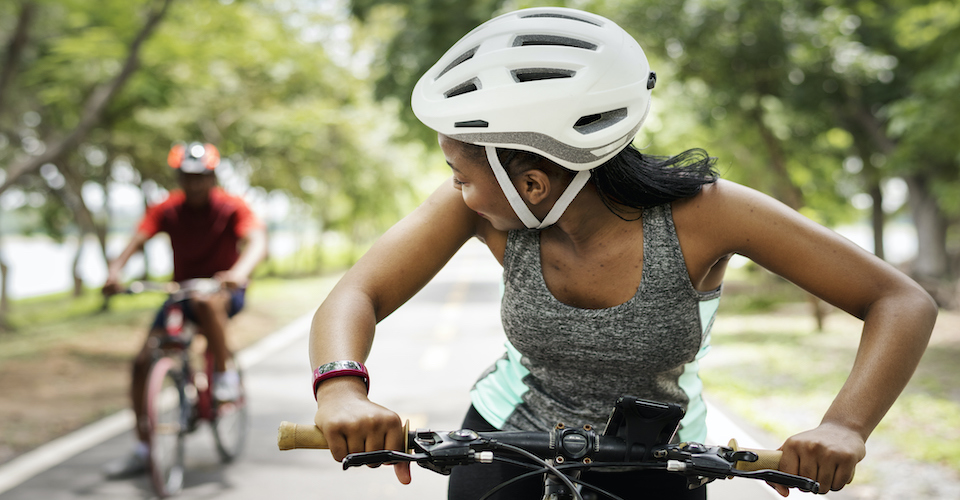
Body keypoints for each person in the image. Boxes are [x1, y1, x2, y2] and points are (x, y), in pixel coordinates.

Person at [309, 7, 937, 499]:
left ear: (532, 182)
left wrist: (844, 426)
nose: (455, 189)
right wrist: (340, 389)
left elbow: (899, 300)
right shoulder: (481, 208)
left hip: (658, 458)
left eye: (459, 172)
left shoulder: (708, 214)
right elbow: (356, 294)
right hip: (507, 444)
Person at [101, 141, 267, 478]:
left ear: (212, 177)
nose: (194, 184)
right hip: (180, 293)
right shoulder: (167, 209)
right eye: (187, 177)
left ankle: (224, 377)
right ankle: (143, 448)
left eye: (201, 177)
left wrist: (239, 273)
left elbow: (257, 242)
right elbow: (137, 240)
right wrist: (114, 271)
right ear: (179, 178)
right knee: (141, 363)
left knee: (206, 301)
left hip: (223, 291)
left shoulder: (231, 207)